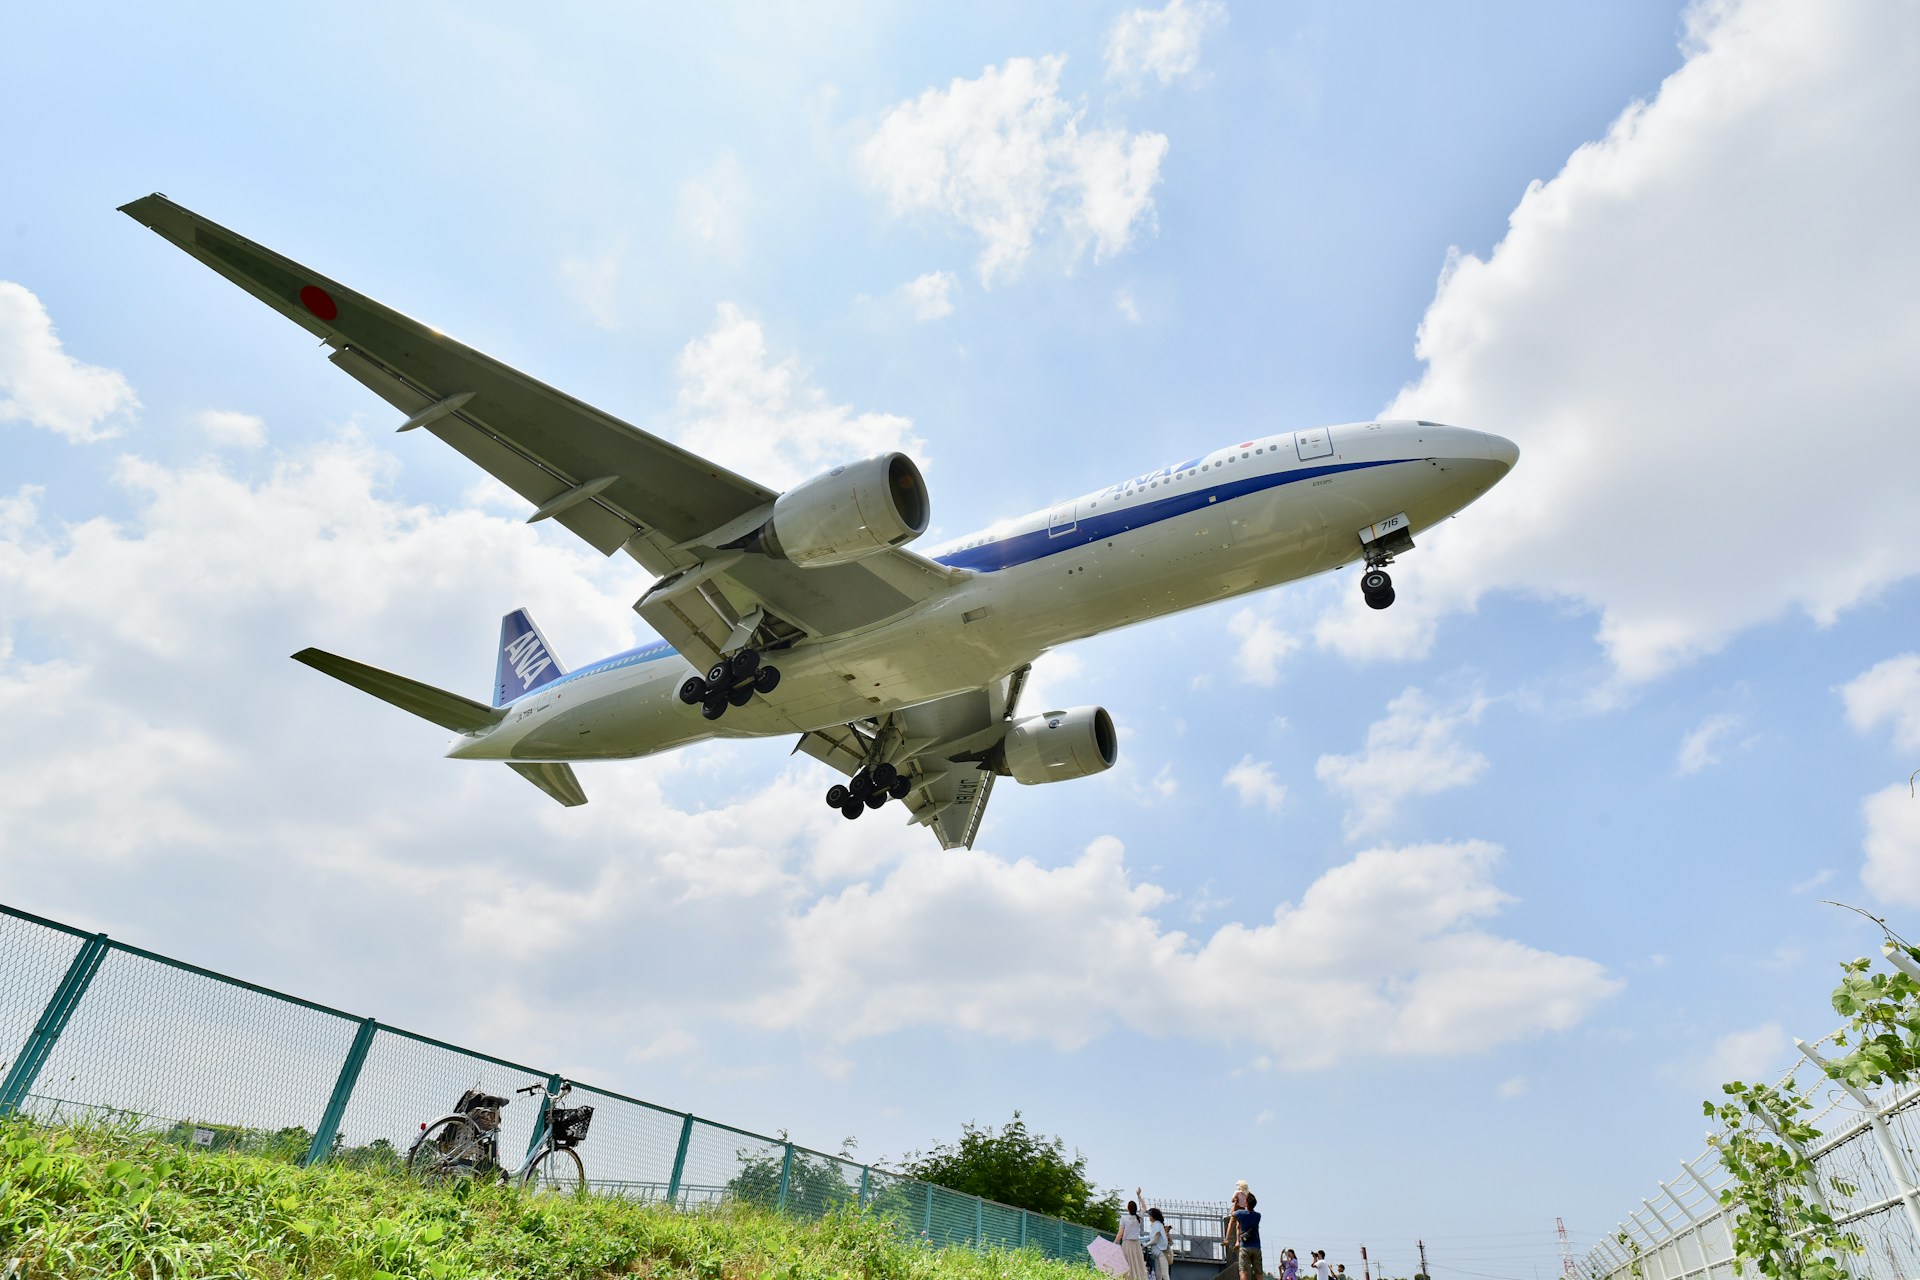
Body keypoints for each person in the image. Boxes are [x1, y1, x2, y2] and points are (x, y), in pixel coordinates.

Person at [1231, 1191, 1263, 1280]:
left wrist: (1236, 1202)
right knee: (1259, 1272)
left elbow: (1233, 1214)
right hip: (1256, 1247)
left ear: (1246, 1202)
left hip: (1245, 1246)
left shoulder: (1241, 1213)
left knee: (1243, 1271)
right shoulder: (1258, 1216)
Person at [1116, 1200, 1150, 1280]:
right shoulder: (1139, 1217)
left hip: (1127, 1244)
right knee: (1136, 1264)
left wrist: (1115, 1243)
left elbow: (1120, 1233)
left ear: (1128, 1208)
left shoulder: (1124, 1218)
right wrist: (1139, 1196)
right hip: (1136, 1245)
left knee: (1126, 1264)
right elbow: (1144, 1207)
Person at [1146, 1207, 1173, 1280]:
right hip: (1157, 1254)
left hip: (1161, 1253)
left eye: (1150, 1215)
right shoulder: (1156, 1225)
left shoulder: (1157, 1225)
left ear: (1153, 1217)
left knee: (1164, 1275)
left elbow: (1155, 1240)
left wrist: (1146, 1244)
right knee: (1158, 1275)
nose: (1149, 1217)